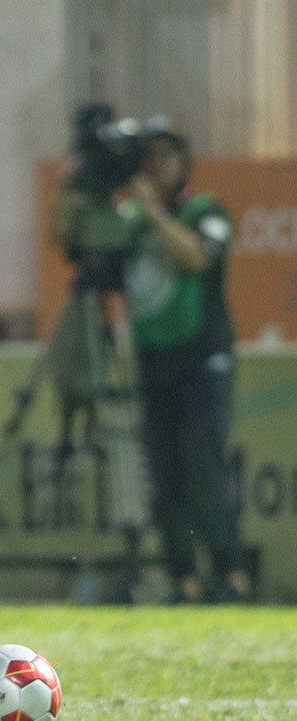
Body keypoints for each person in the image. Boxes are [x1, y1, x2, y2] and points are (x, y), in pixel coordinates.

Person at [122, 124, 250, 604]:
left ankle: (231, 574)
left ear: (183, 162)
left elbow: (198, 258)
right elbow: (78, 246)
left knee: (203, 469)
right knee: (165, 476)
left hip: (201, 363)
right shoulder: (130, 222)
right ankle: (184, 579)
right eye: (148, 157)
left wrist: (153, 213)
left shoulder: (206, 212)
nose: (156, 165)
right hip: (153, 363)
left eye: (165, 155)